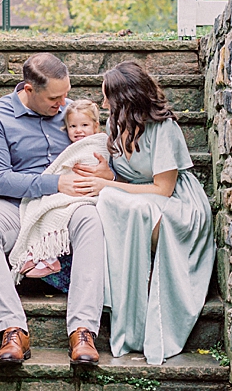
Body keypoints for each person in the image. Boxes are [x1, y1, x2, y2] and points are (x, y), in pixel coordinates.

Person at [0, 53, 113, 366]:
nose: (63, 104)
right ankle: (12, 329)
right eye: (55, 98)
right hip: (14, 206)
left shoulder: (71, 111)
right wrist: (54, 183)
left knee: (91, 218)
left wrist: (106, 174)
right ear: (29, 90)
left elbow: (99, 149)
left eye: (66, 94)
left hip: (65, 207)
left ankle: (83, 331)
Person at [73, 60, 215, 365]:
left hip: (177, 203)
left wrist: (109, 187)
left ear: (125, 98)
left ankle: (147, 308)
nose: (103, 103)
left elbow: (163, 189)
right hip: (140, 199)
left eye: (107, 96)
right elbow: (128, 181)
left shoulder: (164, 127)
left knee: (119, 201)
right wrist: (107, 177)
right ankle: (129, 303)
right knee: (111, 200)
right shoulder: (115, 124)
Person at [10, 100, 107, 280]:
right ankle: (39, 253)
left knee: (53, 208)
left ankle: (46, 255)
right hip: (69, 188)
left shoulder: (99, 143)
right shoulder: (72, 146)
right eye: (73, 126)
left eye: (84, 125)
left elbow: (93, 164)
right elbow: (63, 168)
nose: (78, 130)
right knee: (44, 204)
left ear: (96, 126)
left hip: (88, 191)